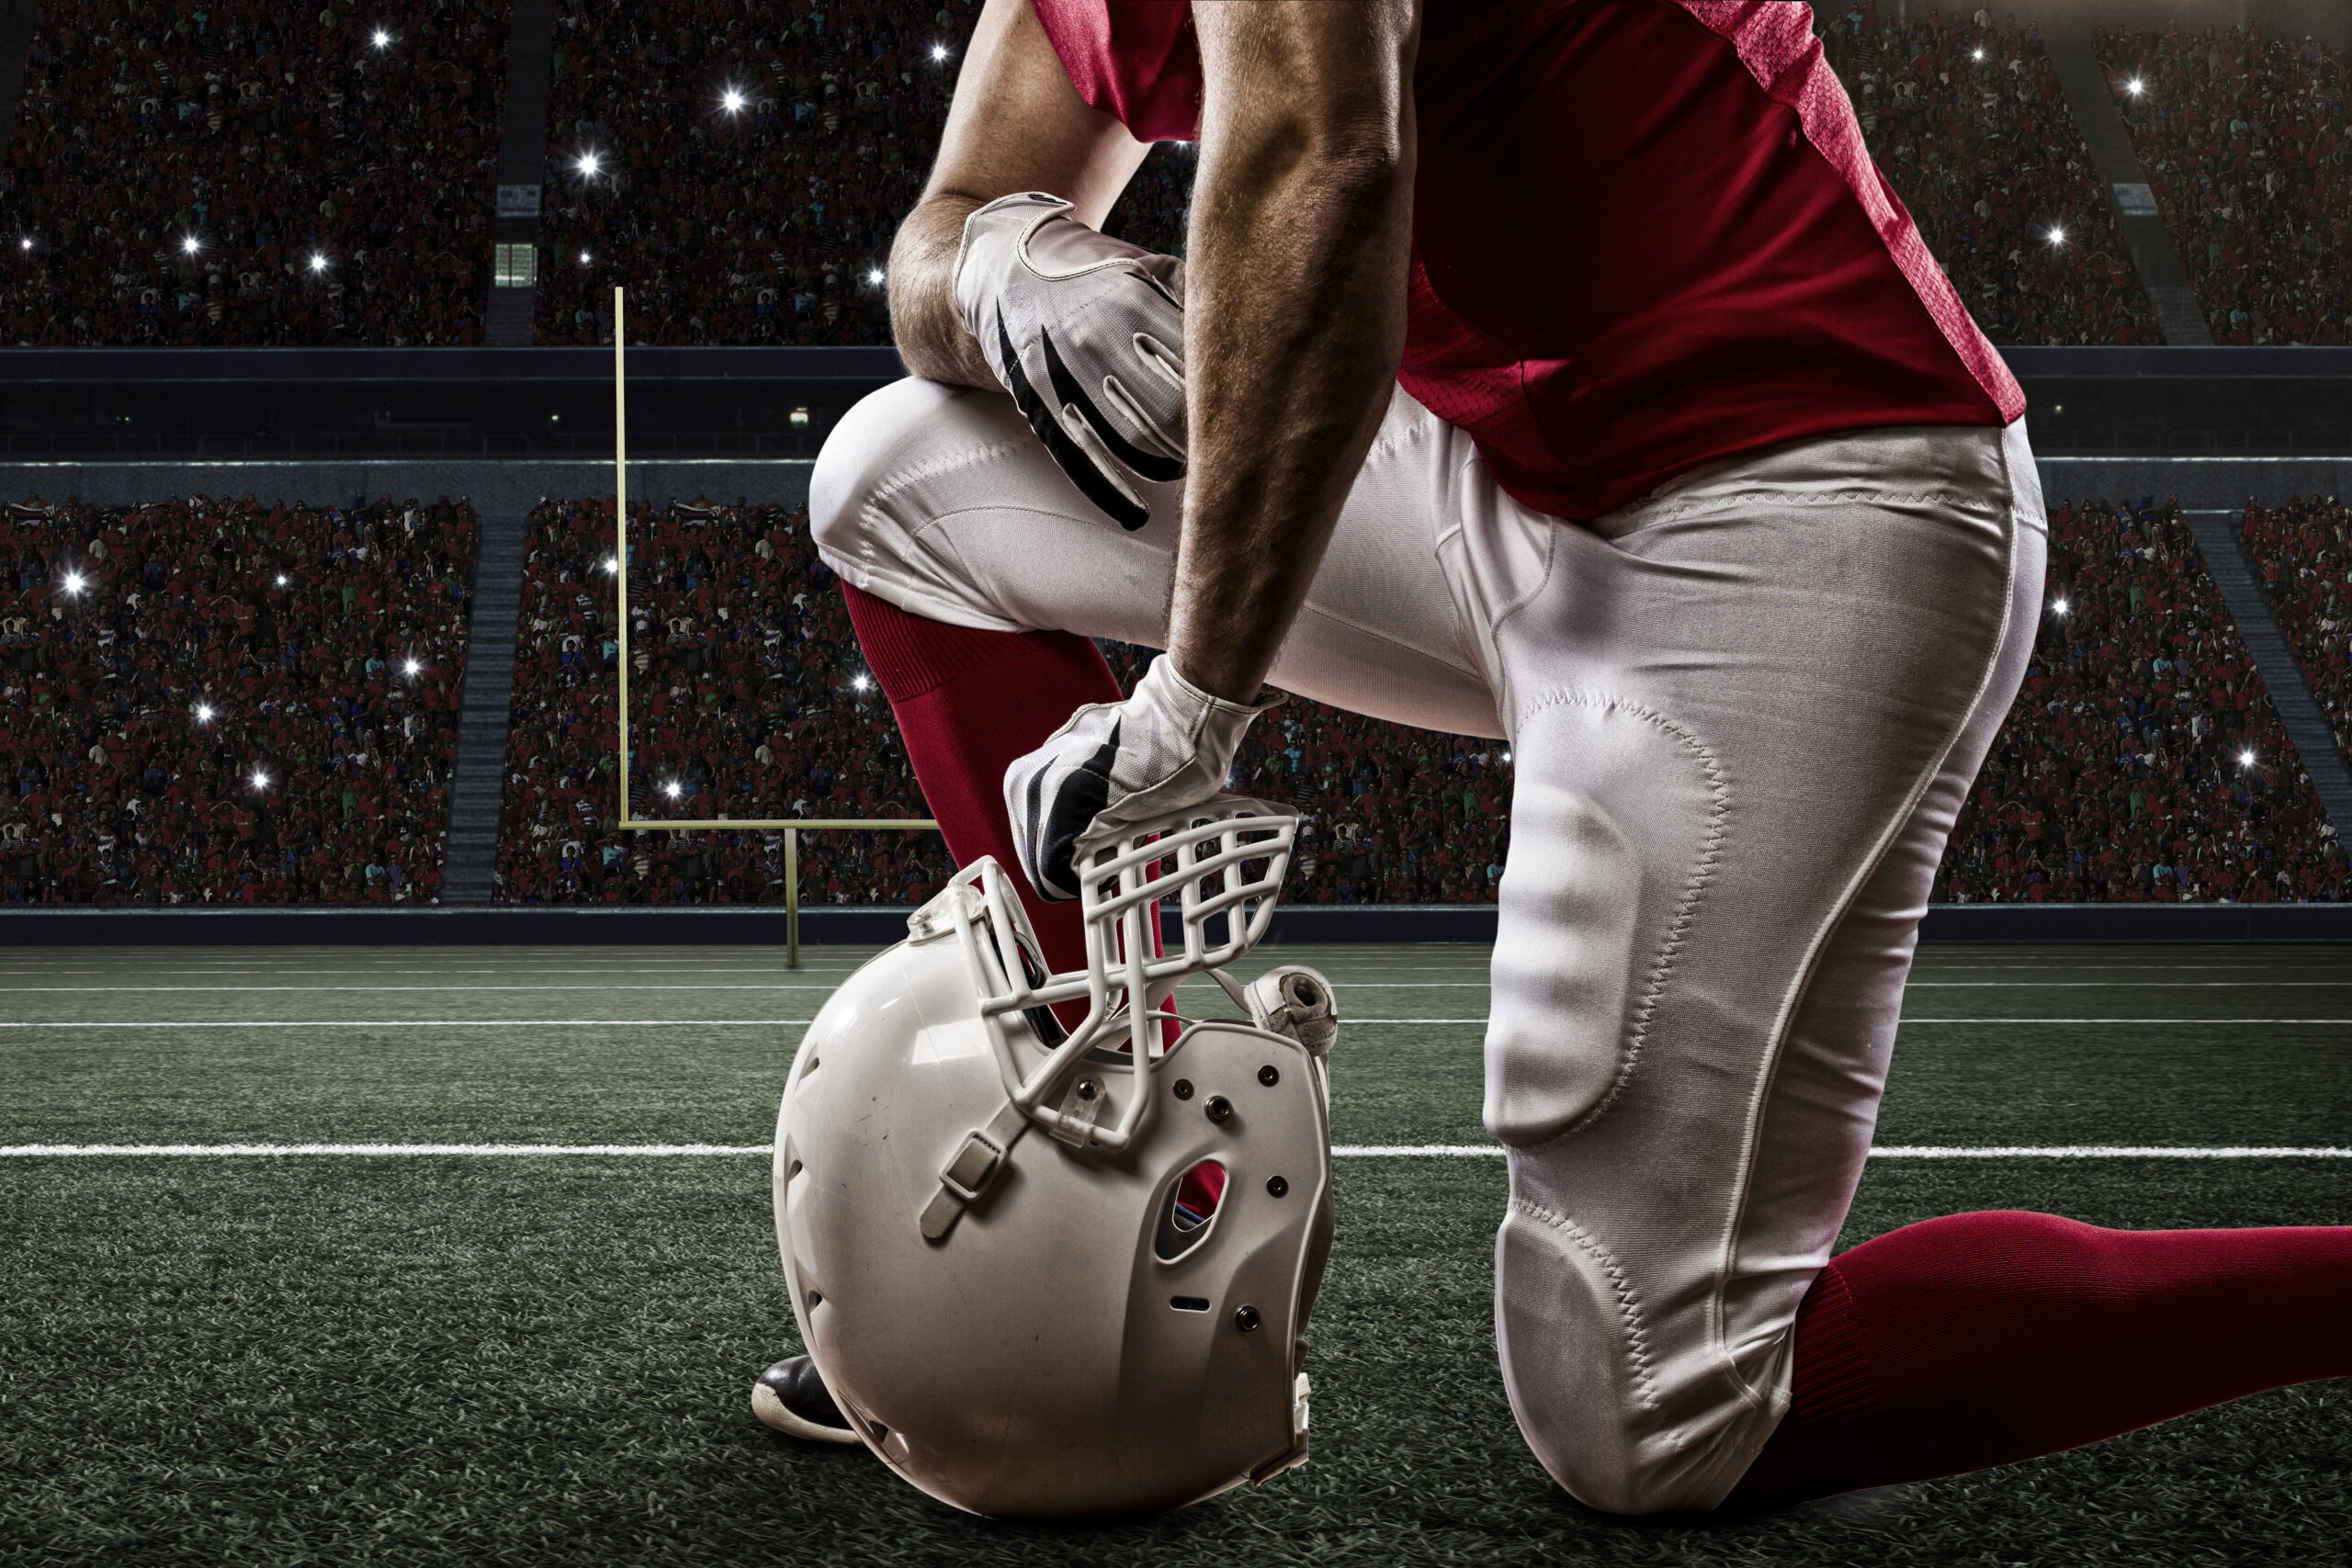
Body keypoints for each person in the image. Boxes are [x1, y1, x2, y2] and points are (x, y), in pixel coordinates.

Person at [754, 0, 2352, 1515]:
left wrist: (1192, 704)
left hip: (1798, 491)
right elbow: (943, 220)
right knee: (892, 480)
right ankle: (1080, 1172)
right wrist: (1010, 264)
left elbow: (1329, 158)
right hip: (1505, 467)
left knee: (1648, 1408)